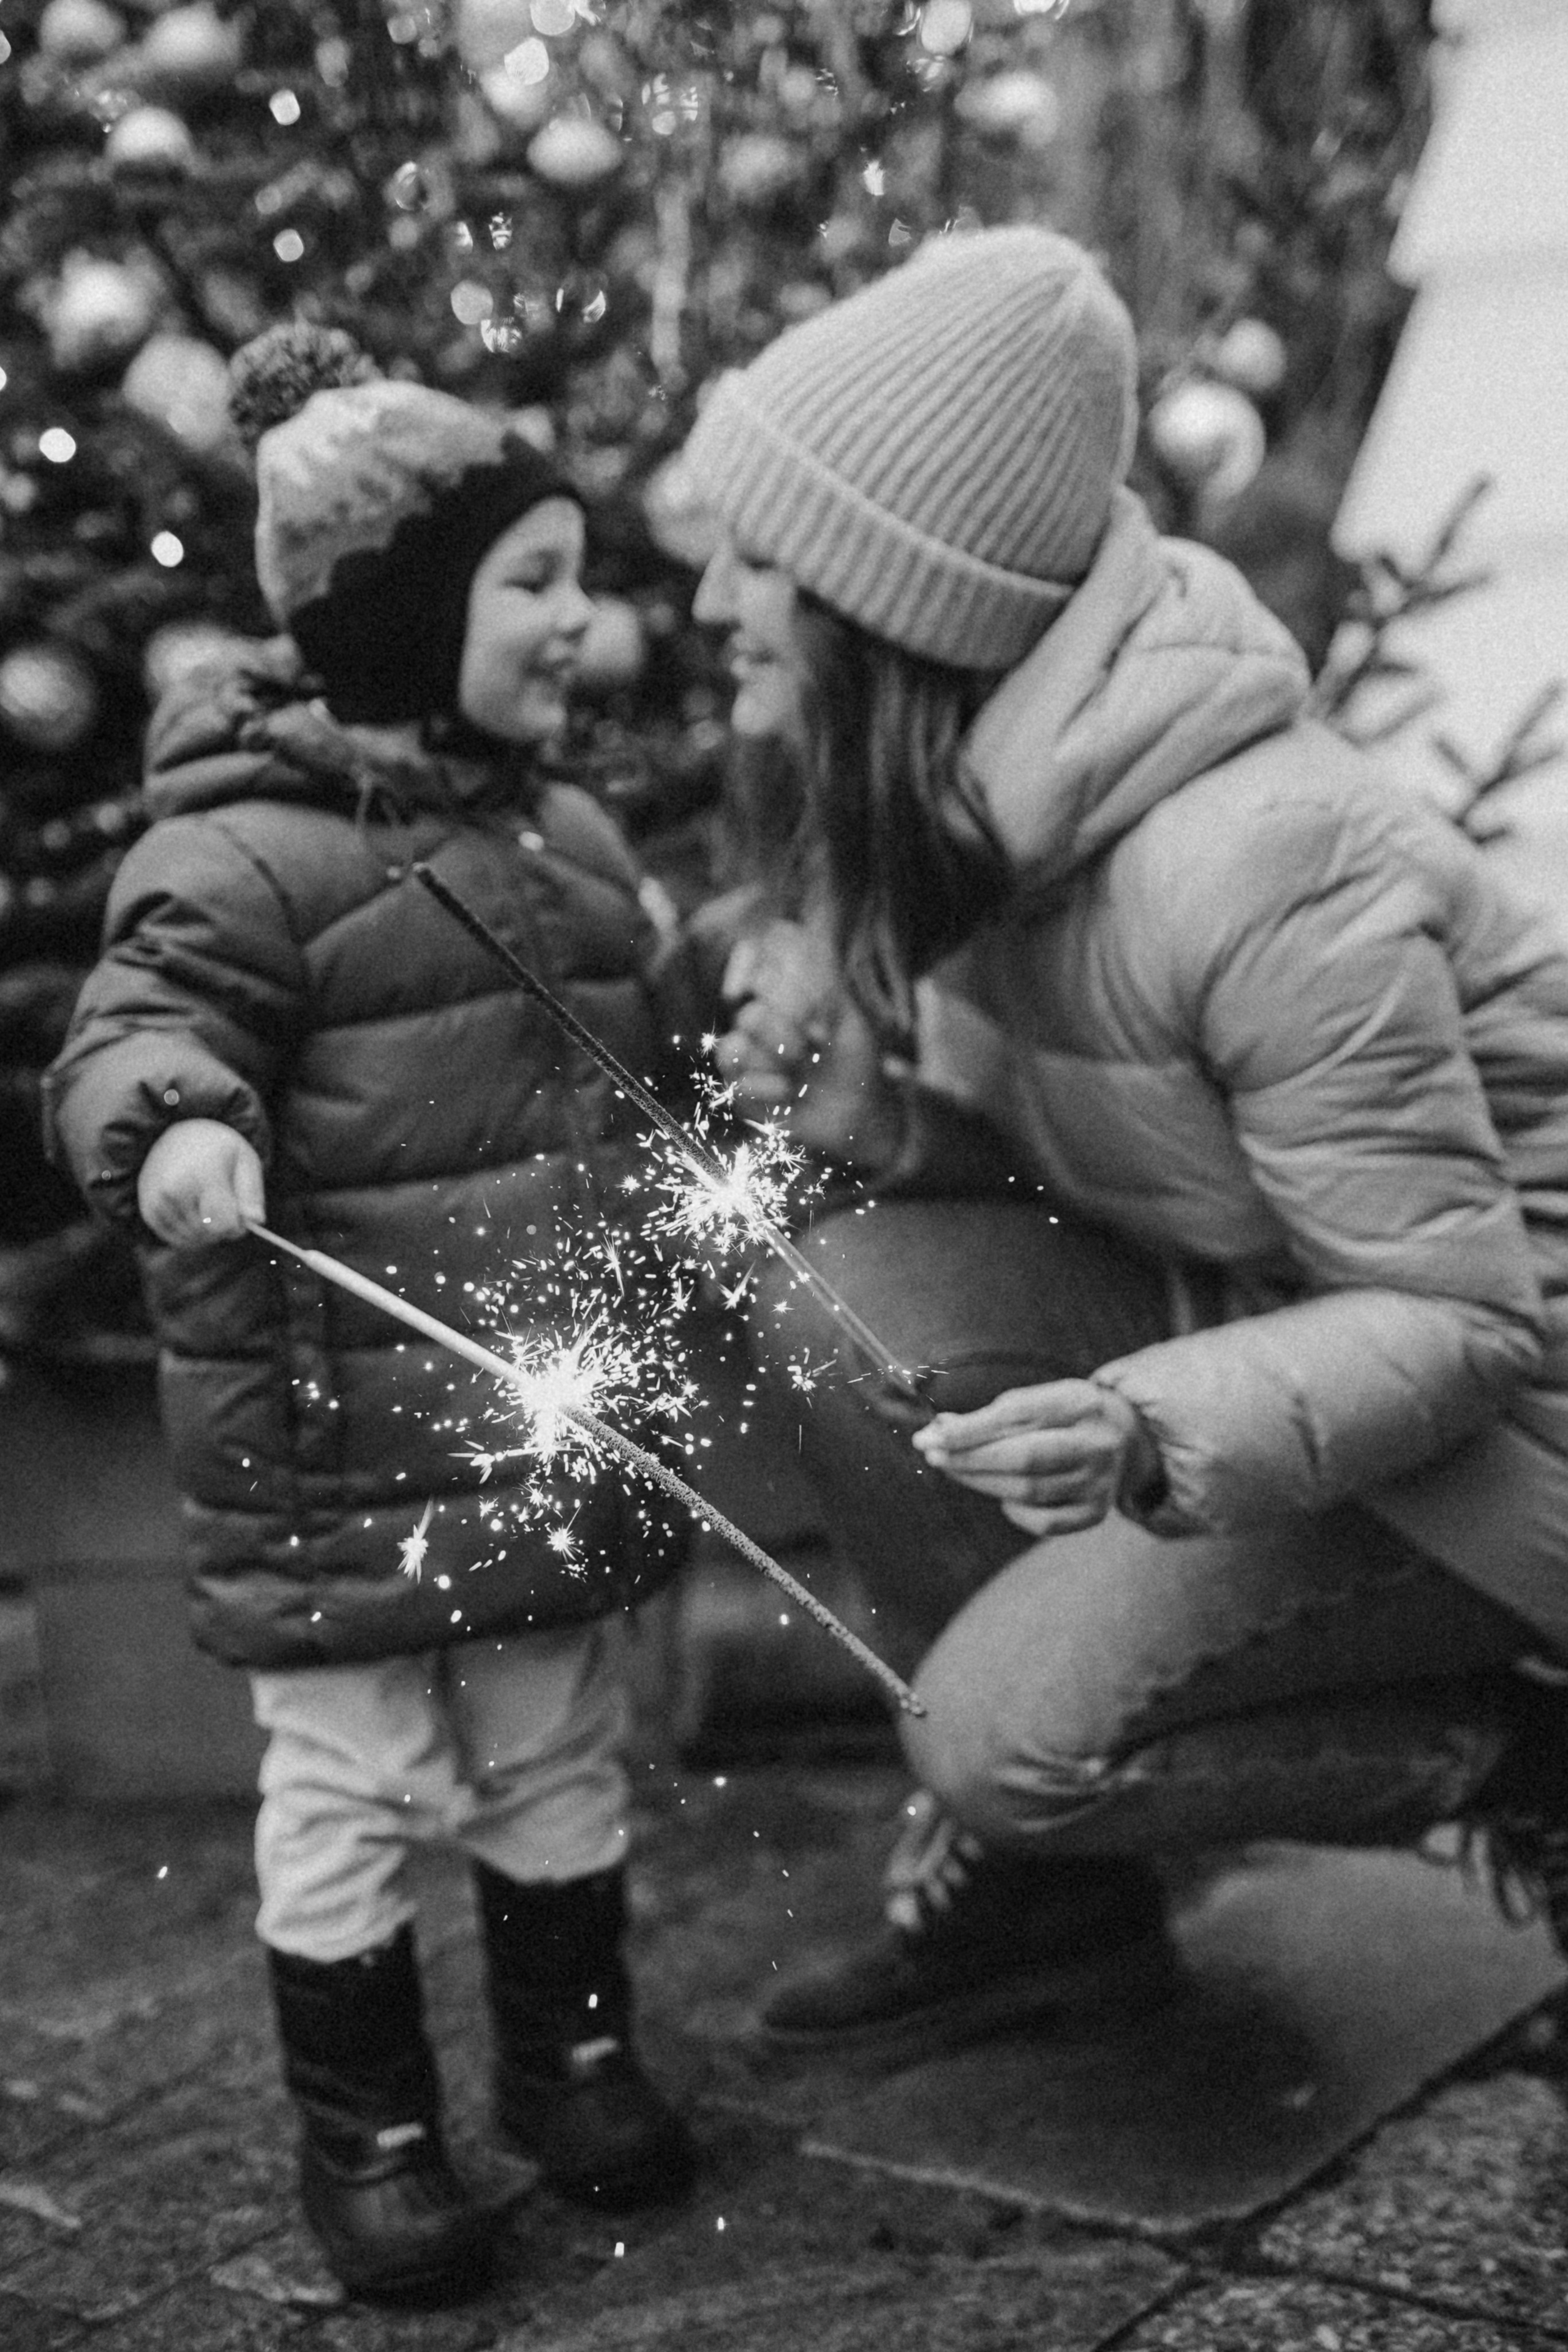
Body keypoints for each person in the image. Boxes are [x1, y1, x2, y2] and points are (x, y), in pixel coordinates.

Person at [679, 223, 1568, 2068]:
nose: (711, 605)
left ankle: (1532, 1759)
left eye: (763, 562)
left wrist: (1149, 1421)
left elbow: (1461, 1317)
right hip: (1288, 1313)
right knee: (843, 1301)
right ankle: (1055, 1920)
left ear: (890, 613)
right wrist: (870, 1115)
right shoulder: (971, 800)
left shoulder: (1251, 857)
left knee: (1007, 1734)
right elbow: (1111, 1147)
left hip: (1511, 1419)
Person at [45, 325, 696, 2304]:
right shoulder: (235, 855)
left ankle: (572, 2059)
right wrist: (170, 1134)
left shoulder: (568, 846)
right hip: (338, 1446)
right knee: (347, 1789)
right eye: (532, 582)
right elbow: (131, 1037)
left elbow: (623, 1080)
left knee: (553, 1743)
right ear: (402, 612)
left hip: (535, 1419)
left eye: (579, 580)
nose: (578, 623)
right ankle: (376, 2132)